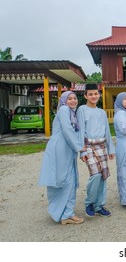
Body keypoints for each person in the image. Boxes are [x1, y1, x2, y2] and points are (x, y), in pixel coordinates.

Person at [38, 91, 85, 225]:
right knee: (63, 180)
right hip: (60, 150)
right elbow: (67, 130)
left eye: (75, 98)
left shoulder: (72, 113)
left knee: (69, 180)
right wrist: (79, 147)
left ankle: (66, 213)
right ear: (63, 101)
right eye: (69, 98)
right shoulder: (64, 110)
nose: (73, 101)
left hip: (66, 149)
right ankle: (64, 213)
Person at [77, 83, 115, 217]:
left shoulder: (102, 112)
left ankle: (99, 205)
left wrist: (111, 149)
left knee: (103, 176)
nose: (93, 96)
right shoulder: (81, 109)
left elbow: (107, 131)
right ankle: (89, 202)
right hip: (89, 147)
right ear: (86, 95)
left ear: (99, 95)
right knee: (95, 175)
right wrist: (82, 151)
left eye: (95, 94)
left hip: (102, 146)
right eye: (90, 94)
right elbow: (81, 130)